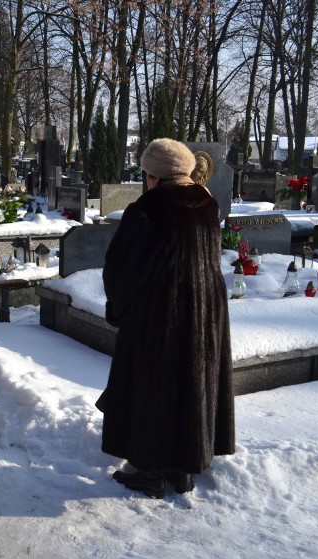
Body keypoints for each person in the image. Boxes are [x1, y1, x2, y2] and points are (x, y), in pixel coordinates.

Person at [98, 138, 235, 499]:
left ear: (154, 175)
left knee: (152, 387)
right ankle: (183, 466)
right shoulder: (207, 204)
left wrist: (119, 307)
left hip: (158, 313)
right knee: (190, 383)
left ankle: (150, 469)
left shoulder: (147, 208)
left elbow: (122, 268)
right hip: (205, 311)